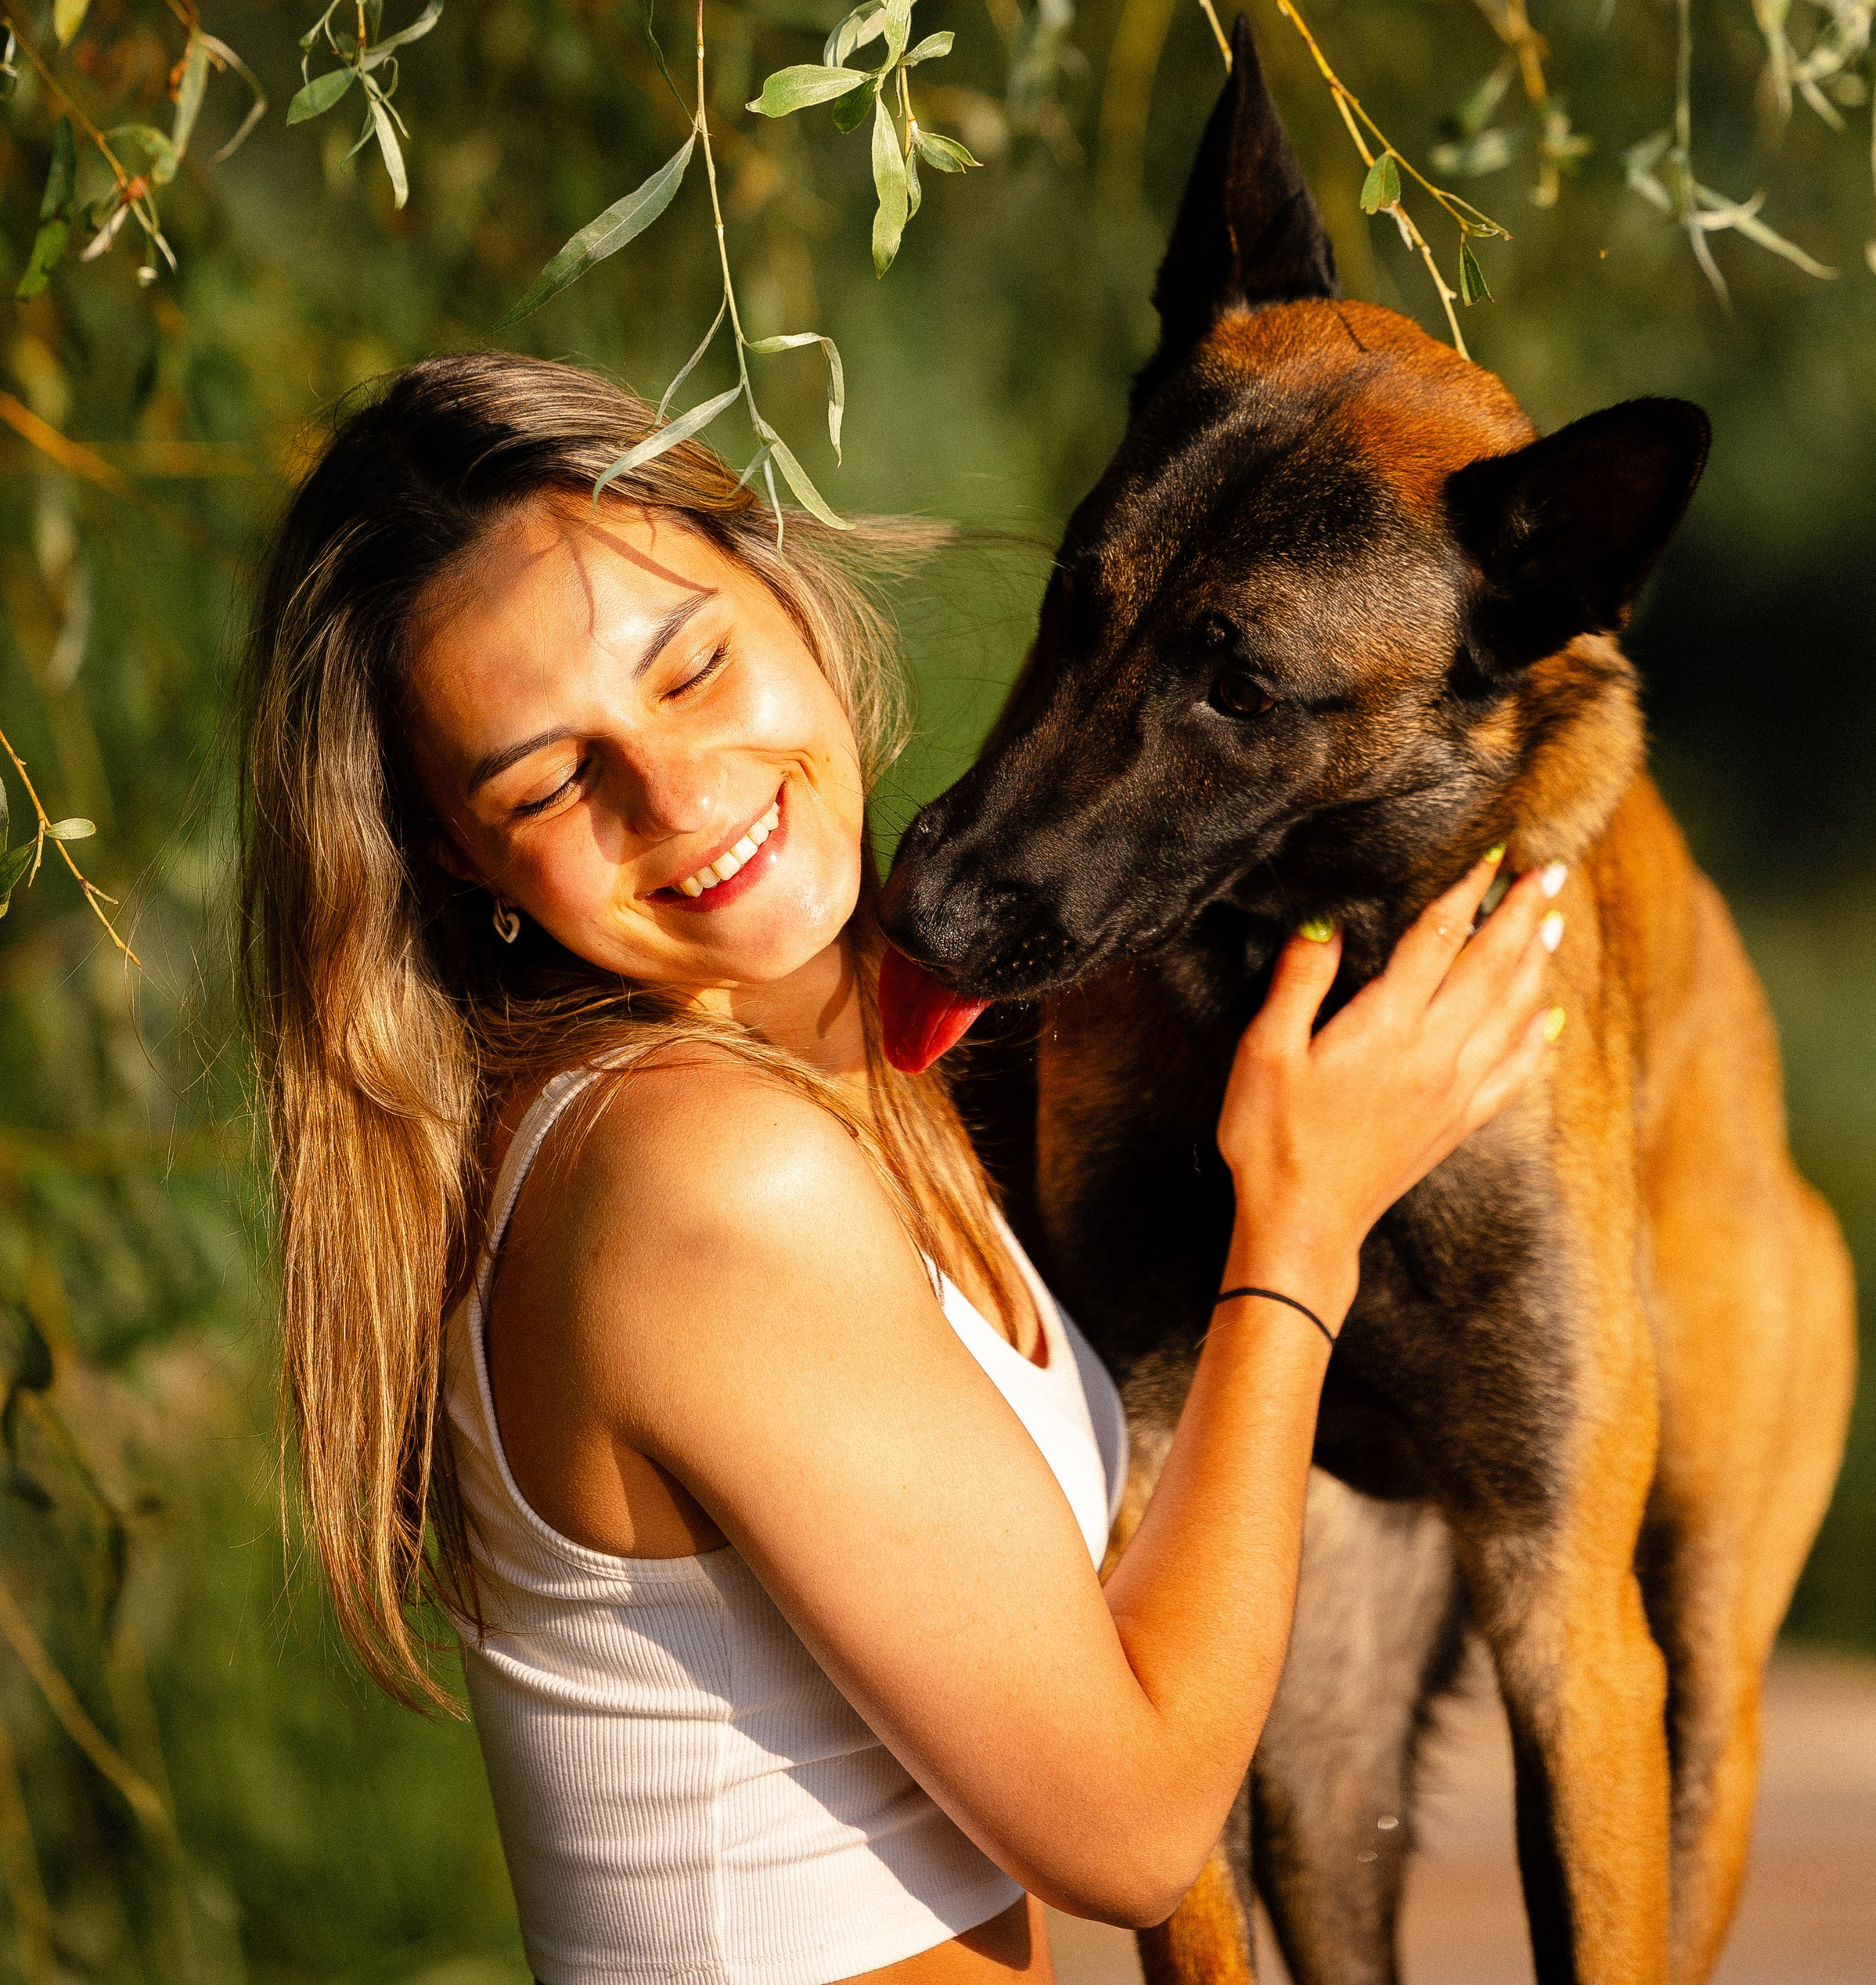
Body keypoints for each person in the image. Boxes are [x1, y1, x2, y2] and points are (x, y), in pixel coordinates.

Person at [239, 351, 1565, 1985]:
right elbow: (1136, 1829)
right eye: (548, 778)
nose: (679, 789)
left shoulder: (784, 1072)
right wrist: (1302, 1231)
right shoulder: (700, 1179)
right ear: (457, 852)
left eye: (693, 664)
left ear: (779, 584)